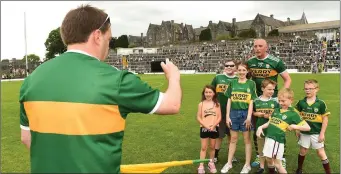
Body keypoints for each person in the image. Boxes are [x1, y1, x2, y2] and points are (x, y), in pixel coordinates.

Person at [19, 5, 182, 173]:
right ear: (97, 36)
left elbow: (26, 138)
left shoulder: (31, 80)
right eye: (109, 39)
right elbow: (172, 104)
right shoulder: (116, 80)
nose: (108, 46)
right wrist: (174, 77)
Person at [247, 39, 292, 168]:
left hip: (274, 100)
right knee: (258, 127)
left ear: (266, 47)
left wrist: (281, 95)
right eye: (255, 46)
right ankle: (259, 154)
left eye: (260, 46)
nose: (257, 48)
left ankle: (281, 156)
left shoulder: (276, 61)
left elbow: (287, 79)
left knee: (277, 128)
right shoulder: (250, 62)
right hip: (258, 100)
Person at [256, 88, 311, 174]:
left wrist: (295, 126)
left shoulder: (293, 113)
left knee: (277, 164)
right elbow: (270, 122)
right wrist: (261, 127)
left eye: (283, 101)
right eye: (279, 101)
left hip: (276, 140)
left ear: (291, 100)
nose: (281, 103)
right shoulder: (276, 110)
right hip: (269, 138)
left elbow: (308, 127)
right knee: (269, 160)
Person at [221, 61, 257, 174]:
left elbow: (251, 101)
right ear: (237, 71)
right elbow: (229, 100)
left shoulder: (251, 84)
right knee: (233, 139)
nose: (241, 72)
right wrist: (227, 116)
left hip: (245, 114)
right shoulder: (232, 83)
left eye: (243, 70)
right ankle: (229, 162)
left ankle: (247, 165)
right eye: (239, 70)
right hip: (233, 114)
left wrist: (249, 117)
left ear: (247, 71)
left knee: (247, 140)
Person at [295, 79, 331, 174]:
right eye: (306, 89)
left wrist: (322, 133)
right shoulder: (301, 103)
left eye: (310, 88)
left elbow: (325, 119)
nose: (308, 91)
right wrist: (297, 130)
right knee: (303, 151)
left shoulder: (320, 103)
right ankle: (299, 169)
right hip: (304, 132)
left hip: (316, 132)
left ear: (317, 89)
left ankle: (328, 171)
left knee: (321, 153)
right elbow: (297, 117)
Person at [210, 60, 238, 163]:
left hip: (233, 112)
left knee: (232, 135)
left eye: (232, 65)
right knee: (219, 135)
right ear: (224, 67)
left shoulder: (238, 79)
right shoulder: (218, 77)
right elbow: (210, 92)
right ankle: (215, 156)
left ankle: (232, 156)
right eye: (227, 65)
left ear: (235, 67)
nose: (229, 67)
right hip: (219, 111)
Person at [252, 79, 279, 174]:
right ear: (263, 88)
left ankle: (274, 166)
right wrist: (257, 114)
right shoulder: (256, 101)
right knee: (261, 148)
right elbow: (253, 112)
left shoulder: (276, 102)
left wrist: (270, 115)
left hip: (272, 129)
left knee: (272, 149)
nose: (271, 91)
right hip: (260, 128)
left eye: (273, 90)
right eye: (269, 89)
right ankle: (262, 167)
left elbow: (279, 114)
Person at [196, 85, 222, 174]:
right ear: (204, 93)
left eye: (210, 92)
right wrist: (205, 125)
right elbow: (198, 117)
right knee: (203, 147)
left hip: (214, 128)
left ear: (214, 93)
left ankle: (211, 163)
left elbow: (219, 117)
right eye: (206, 92)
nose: (208, 94)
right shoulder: (201, 104)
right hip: (204, 128)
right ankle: (201, 165)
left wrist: (214, 125)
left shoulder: (217, 104)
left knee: (212, 147)